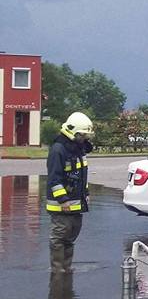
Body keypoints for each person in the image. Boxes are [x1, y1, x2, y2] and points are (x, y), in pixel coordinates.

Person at [46, 112, 94, 273]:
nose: (85, 139)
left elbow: (81, 176)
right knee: (59, 238)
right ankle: (58, 270)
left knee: (70, 238)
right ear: (73, 132)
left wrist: (85, 193)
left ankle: (66, 268)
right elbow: (54, 179)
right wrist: (63, 200)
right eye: (83, 135)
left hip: (76, 204)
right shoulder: (59, 150)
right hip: (62, 206)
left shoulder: (77, 150)